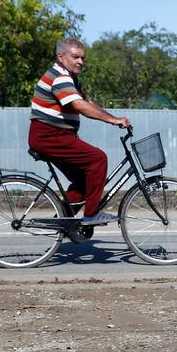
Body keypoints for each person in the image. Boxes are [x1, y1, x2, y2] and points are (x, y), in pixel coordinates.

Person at [28, 37, 130, 226]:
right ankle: (91, 214)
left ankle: (64, 221)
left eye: (83, 58)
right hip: (49, 135)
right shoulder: (60, 76)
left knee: (85, 180)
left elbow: (87, 102)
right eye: (75, 57)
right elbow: (79, 105)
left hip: (56, 136)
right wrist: (113, 120)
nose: (80, 62)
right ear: (60, 56)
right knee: (98, 159)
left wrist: (114, 119)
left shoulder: (70, 79)